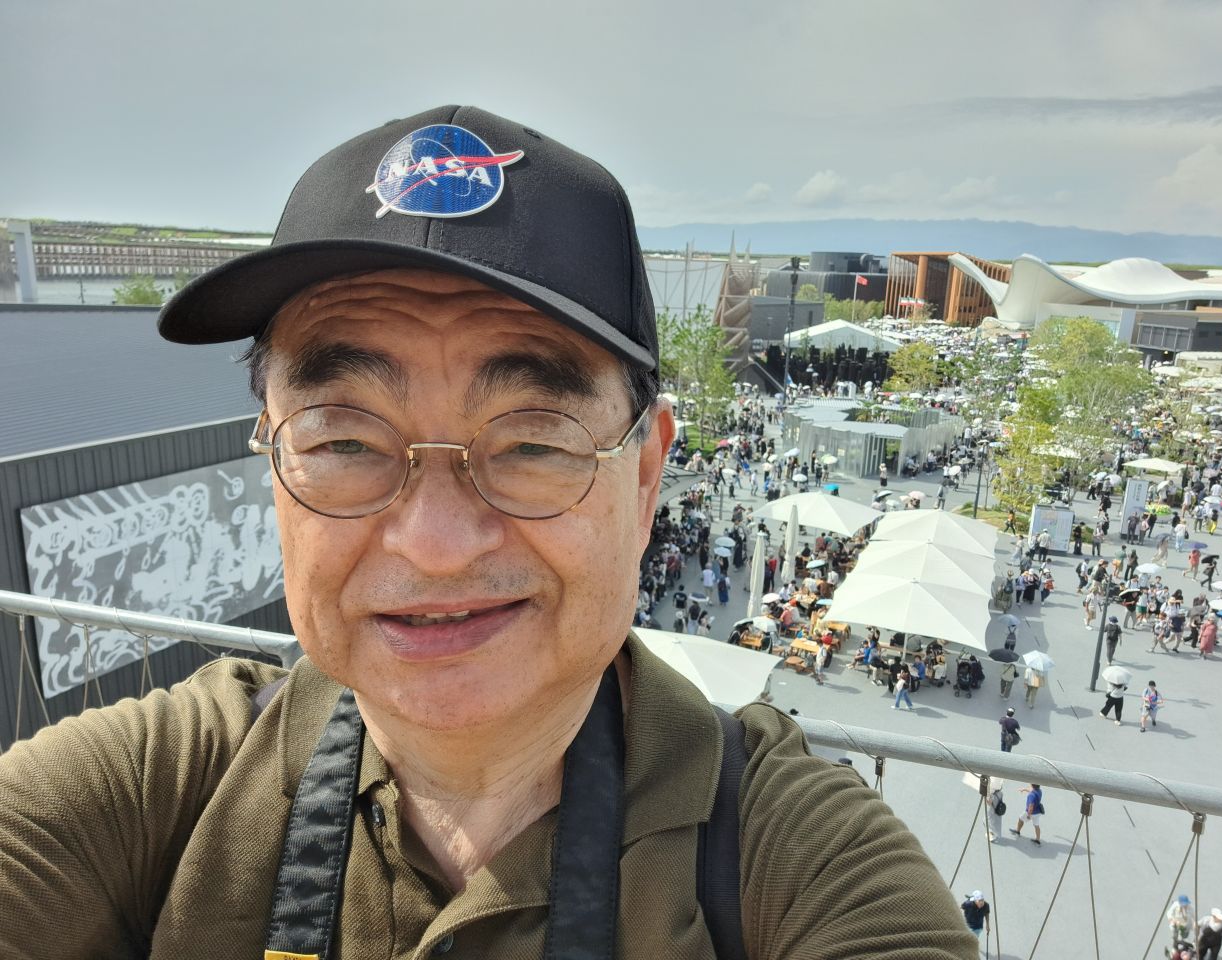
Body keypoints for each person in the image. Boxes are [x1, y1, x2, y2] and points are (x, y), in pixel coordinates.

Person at [0, 107, 973, 957]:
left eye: (531, 441)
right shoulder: (156, 792)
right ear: (275, 468)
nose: (434, 543)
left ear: (643, 476)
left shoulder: (791, 865)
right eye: (344, 440)